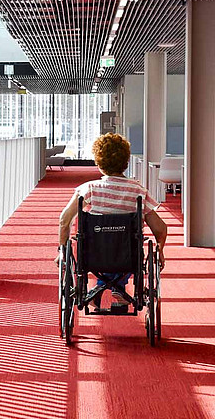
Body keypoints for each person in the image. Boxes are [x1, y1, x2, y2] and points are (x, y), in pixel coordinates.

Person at [56, 133, 167, 312]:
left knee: (104, 242)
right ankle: (118, 289)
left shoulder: (88, 189)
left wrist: (62, 250)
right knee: (124, 245)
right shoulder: (138, 191)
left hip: (93, 255)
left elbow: (64, 221)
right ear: (126, 162)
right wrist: (160, 250)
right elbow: (160, 229)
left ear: (98, 163)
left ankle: (99, 289)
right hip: (128, 255)